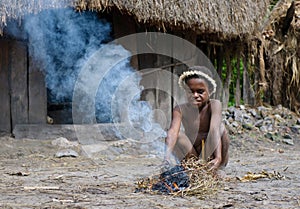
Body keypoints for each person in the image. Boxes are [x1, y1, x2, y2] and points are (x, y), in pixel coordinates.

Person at [164, 66, 229, 170]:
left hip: (210, 153)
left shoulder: (214, 105)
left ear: (210, 90)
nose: (195, 95)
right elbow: (173, 132)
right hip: (192, 156)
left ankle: (218, 167)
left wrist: (218, 157)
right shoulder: (180, 109)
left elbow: (214, 130)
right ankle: (190, 168)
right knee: (178, 136)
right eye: (190, 91)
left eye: (200, 91)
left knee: (221, 129)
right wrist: (166, 157)